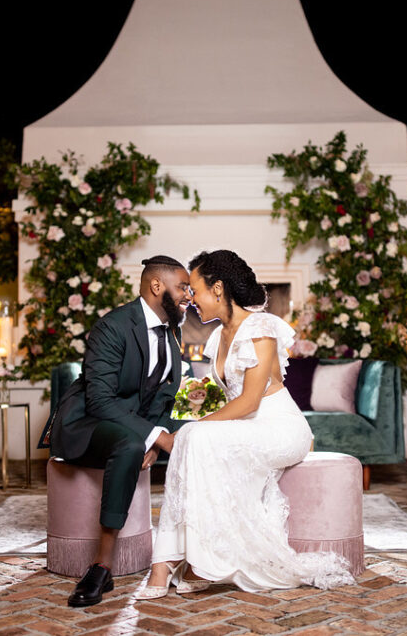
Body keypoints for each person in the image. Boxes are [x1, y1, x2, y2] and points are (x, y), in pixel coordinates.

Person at [138, 250, 353, 598]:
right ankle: (183, 562)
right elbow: (230, 402)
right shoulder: (219, 335)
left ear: (218, 289)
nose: (189, 299)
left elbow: (251, 401)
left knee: (193, 436)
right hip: (248, 428)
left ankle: (173, 566)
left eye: (195, 289)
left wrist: (192, 429)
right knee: (195, 441)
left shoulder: (260, 327)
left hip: (280, 428)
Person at [47, 255, 192, 607]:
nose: (189, 295)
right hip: (87, 425)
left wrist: (154, 442)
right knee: (129, 445)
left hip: (129, 427)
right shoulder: (113, 326)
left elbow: (164, 396)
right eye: (183, 287)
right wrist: (155, 436)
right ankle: (102, 566)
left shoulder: (172, 331)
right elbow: (98, 400)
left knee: (176, 431)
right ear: (157, 286)